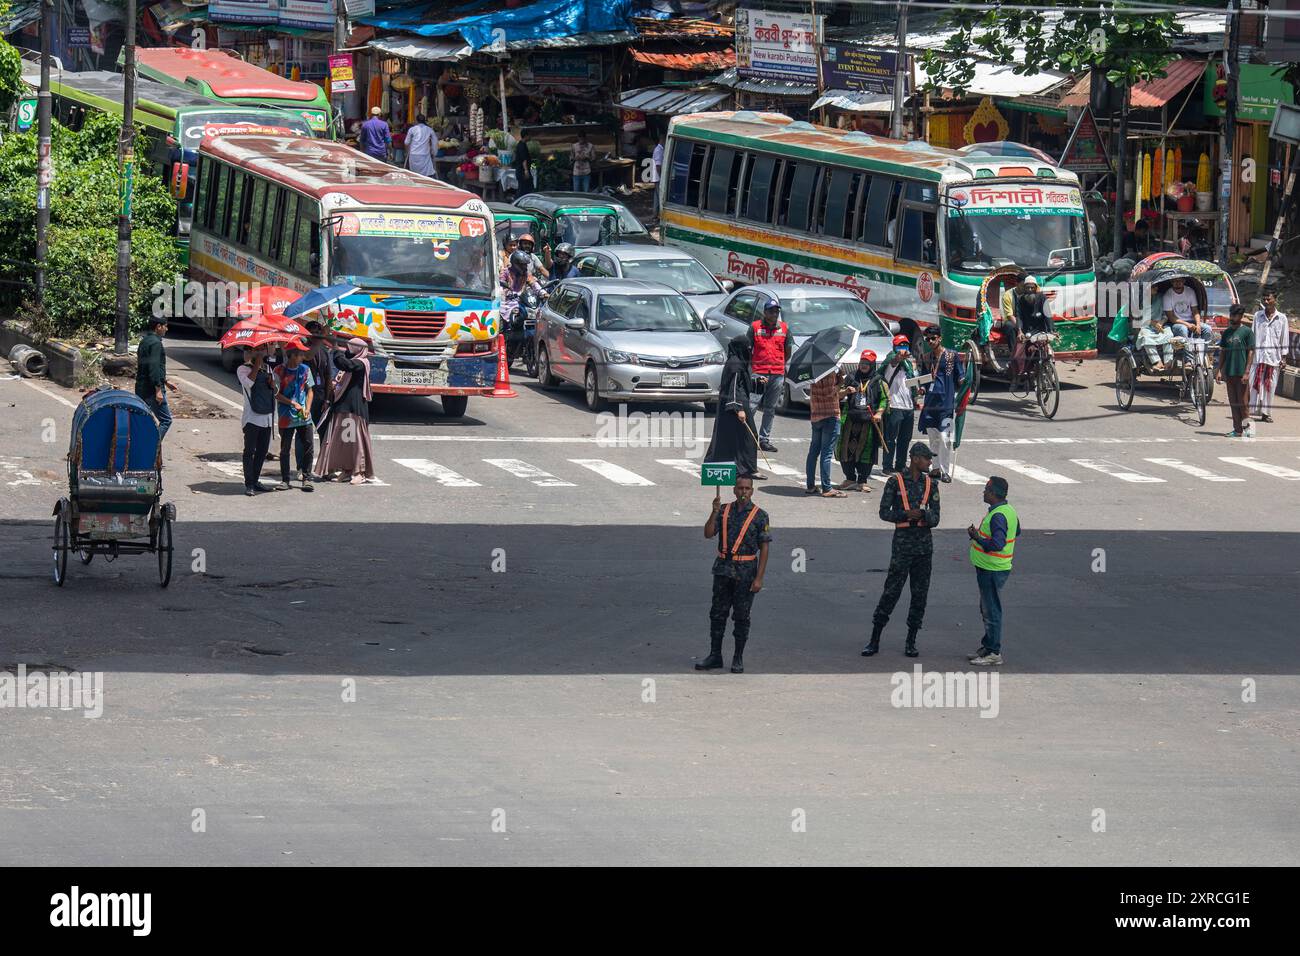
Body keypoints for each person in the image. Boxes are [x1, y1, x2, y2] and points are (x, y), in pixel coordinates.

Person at [864, 442, 940, 659]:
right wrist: (907, 515)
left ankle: (911, 640)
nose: (929, 462)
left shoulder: (931, 485)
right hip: (902, 547)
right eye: (926, 458)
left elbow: (936, 517)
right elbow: (883, 512)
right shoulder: (895, 482)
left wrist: (924, 516)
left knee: (919, 596)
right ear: (915, 458)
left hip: (924, 549)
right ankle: (874, 638)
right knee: (891, 592)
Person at [697, 475, 770, 674]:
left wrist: (759, 578)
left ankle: (738, 657)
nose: (743, 492)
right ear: (734, 490)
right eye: (740, 488)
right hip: (723, 569)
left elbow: (764, 548)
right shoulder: (724, 510)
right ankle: (715, 655)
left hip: (746, 571)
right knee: (717, 614)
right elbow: (708, 533)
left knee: (741, 616)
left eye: (747, 488)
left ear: (752, 491)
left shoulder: (760, 515)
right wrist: (713, 512)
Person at [966, 475, 1018, 667]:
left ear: (994, 494)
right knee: (986, 608)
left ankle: (994, 652)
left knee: (991, 610)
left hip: (992, 569)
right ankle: (988, 646)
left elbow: (997, 543)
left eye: (986, 490)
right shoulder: (1008, 511)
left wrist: (976, 537)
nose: (983, 492)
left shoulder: (998, 516)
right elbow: (1016, 531)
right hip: (995, 568)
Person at [317, 338, 377, 485]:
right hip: (343, 407)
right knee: (345, 441)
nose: (348, 350)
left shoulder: (362, 363)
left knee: (356, 441)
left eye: (350, 348)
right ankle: (347, 469)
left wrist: (336, 350)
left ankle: (360, 472)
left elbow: (344, 364)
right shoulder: (355, 360)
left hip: (354, 409)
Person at [704, 335, 761, 480]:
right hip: (736, 406)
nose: (749, 350)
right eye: (747, 348)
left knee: (734, 437)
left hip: (733, 407)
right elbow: (734, 388)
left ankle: (741, 467)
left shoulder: (737, 362)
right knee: (750, 435)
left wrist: (756, 381)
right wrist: (739, 409)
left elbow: (742, 383)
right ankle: (747, 468)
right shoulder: (735, 364)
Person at [917, 325, 964, 482]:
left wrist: (966, 381)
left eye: (933, 338)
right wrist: (921, 390)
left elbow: (960, 377)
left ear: (940, 338)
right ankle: (935, 468)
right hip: (930, 406)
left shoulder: (952, 355)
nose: (930, 341)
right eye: (927, 339)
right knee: (934, 439)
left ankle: (945, 470)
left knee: (945, 438)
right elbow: (923, 380)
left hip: (946, 406)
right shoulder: (925, 358)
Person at [746, 298, 792, 454]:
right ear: (765, 312)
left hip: (777, 373)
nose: (775, 313)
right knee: (752, 406)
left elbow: (788, 351)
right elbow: (748, 349)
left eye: (777, 311)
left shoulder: (784, 328)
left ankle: (764, 439)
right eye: (771, 311)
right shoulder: (755, 327)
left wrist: (779, 365)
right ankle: (748, 437)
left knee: (770, 408)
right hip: (759, 372)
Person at [837, 349, 885, 492]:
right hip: (850, 419)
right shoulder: (851, 377)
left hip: (869, 421)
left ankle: (862, 480)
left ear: (872, 365)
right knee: (845, 449)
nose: (863, 366)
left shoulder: (878, 380)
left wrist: (879, 413)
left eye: (867, 363)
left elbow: (884, 399)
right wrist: (846, 392)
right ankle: (849, 478)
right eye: (862, 362)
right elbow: (837, 394)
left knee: (867, 451)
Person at [273, 340, 316, 492]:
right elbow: (276, 394)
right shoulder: (278, 371)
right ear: (292, 356)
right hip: (286, 416)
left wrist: (308, 408)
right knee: (285, 449)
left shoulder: (305, 370)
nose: (303, 357)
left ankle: (307, 478)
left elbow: (310, 390)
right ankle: (285, 480)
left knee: (308, 446)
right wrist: (292, 403)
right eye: (300, 354)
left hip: (304, 416)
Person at [236, 346, 277, 496]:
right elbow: (249, 384)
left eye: (261, 350)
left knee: (262, 452)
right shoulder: (243, 369)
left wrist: (273, 384)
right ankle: (249, 484)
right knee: (249, 452)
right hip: (252, 417)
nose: (260, 353)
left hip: (267, 417)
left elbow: (274, 391)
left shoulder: (268, 368)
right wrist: (257, 365)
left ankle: (256, 480)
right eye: (256, 351)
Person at [1000, 274, 1053, 378]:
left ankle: (1048, 368)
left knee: (1047, 349)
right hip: (1027, 329)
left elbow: (1048, 315)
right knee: (1018, 353)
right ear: (1024, 288)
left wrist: (1051, 330)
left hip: (1040, 328)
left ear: (1035, 288)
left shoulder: (1042, 298)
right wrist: (1019, 331)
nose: (1029, 290)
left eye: (1032, 287)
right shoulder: (1020, 299)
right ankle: (1018, 371)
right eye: (1027, 287)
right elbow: (1018, 316)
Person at [805, 369, 848, 497]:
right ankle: (827, 488)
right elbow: (831, 393)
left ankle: (811, 485)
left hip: (816, 415)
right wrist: (840, 382)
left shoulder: (813, 372)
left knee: (814, 451)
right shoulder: (829, 372)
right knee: (826, 453)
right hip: (830, 415)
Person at [134, 316, 176, 442]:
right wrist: (158, 389)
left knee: (143, 420)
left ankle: (142, 446)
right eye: (165, 326)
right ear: (158, 326)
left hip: (141, 387)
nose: (166, 329)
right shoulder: (156, 343)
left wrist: (166, 382)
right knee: (166, 420)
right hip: (152, 390)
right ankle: (151, 448)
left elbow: (149, 366)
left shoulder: (145, 341)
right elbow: (153, 368)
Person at [880, 336, 918, 474]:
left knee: (905, 439)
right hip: (894, 406)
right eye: (900, 345)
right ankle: (887, 465)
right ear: (895, 347)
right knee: (890, 439)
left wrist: (919, 389)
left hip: (908, 407)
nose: (903, 347)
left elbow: (912, 383)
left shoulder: (909, 365)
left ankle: (900, 465)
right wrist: (898, 357)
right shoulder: (891, 362)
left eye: (905, 345)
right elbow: (893, 363)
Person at [1216, 304, 1254, 438]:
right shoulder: (1226, 333)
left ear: (1241, 316)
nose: (1232, 317)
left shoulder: (1247, 332)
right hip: (1229, 373)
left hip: (1241, 373)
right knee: (1233, 403)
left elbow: (1250, 352)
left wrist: (1247, 372)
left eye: (1235, 315)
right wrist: (1219, 370)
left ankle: (1248, 429)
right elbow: (1223, 353)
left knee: (1243, 403)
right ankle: (1237, 430)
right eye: (1231, 314)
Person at [1250, 292, 1288, 423]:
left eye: (1269, 299)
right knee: (1253, 384)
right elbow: (1253, 335)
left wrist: (1283, 358)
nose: (1266, 301)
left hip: (1274, 358)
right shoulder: (1257, 316)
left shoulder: (1282, 318)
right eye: (1264, 299)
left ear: (1275, 300)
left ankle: (1266, 413)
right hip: (1258, 357)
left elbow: (1284, 339)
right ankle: (1250, 411)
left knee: (1270, 386)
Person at [304, 321, 335, 448]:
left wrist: (327, 399)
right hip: (305, 396)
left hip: (320, 395)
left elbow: (328, 376)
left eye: (318, 332)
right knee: (305, 433)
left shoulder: (324, 351)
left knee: (324, 431)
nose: (316, 335)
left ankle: (323, 461)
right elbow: (308, 356)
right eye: (313, 332)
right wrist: (322, 336)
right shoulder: (303, 348)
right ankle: (304, 465)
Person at [1161, 276, 1214, 346]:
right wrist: (1188, 325)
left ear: (1183, 281)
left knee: (1207, 328)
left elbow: (1195, 311)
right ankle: (1188, 356)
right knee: (1183, 329)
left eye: (1180, 281)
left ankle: (1203, 353)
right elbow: (1171, 318)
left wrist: (1198, 325)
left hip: (1192, 322)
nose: (1178, 283)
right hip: (1176, 324)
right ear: (1172, 282)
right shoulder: (1167, 295)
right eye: (1175, 281)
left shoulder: (1190, 291)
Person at [513, 131, 534, 197]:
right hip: (522, 171)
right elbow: (524, 160)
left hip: (521, 170)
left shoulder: (521, 144)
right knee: (524, 188)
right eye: (529, 135)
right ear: (526, 136)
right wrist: (526, 170)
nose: (530, 137)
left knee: (523, 188)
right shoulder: (522, 146)